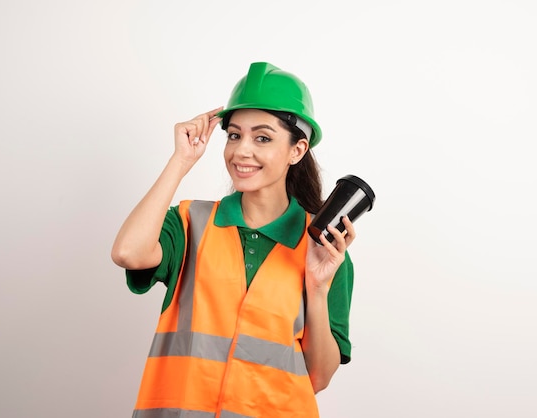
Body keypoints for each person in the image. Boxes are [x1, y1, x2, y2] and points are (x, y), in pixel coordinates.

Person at [111, 61, 356, 418]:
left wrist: (317, 289)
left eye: (263, 138)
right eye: (234, 135)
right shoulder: (190, 223)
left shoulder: (325, 250)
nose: (241, 151)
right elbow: (128, 252)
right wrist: (181, 161)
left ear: (297, 151)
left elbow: (317, 378)